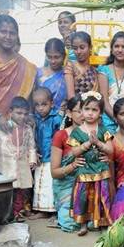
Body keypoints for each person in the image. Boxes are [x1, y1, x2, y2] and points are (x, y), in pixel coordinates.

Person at [68, 91, 114, 235]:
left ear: (100, 113)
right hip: (84, 170)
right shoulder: (76, 132)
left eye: (94, 110)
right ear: (81, 110)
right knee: (83, 197)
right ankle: (83, 224)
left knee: (103, 196)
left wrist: (98, 143)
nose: (90, 113)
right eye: (87, 109)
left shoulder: (103, 130)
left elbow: (110, 150)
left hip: (101, 169)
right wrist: (88, 143)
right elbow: (74, 152)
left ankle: (103, 223)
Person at [0, 97, 37, 221]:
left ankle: (16, 214)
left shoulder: (28, 129)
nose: (22, 117)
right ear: (10, 112)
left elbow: (31, 146)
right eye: (18, 113)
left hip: (22, 164)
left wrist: (32, 160)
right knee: (6, 190)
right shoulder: (3, 126)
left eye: (25, 114)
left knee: (20, 192)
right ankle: (5, 215)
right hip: (6, 164)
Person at [51, 96, 86, 232]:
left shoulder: (96, 134)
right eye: (79, 111)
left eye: (87, 110)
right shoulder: (61, 135)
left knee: (94, 221)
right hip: (66, 185)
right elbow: (54, 172)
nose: (84, 114)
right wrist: (73, 166)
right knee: (71, 223)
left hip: (88, 184)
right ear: (69, 114)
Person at [32, 87, 62, 219]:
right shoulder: (35, 119)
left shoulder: (56, 118)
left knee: (51, 185)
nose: (40, 108)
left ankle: (53, 210)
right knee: (39, 184)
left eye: (44, 104)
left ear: (52, 103)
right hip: (40, 156)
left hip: (53, 157)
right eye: (37, 105)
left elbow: (61, 137)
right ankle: (42, 210)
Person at [98, 31, 124, 132]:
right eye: (116, 46)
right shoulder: (104, 71)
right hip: (109, 122)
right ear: (111, 49)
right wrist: (117, 119)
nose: (120, 50)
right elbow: (104, 101)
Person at [35, 38, 67, 113]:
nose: (53, 61)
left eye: (57, 57)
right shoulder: (38, 73)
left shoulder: (67, 74)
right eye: (49, 57)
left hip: (61, 118)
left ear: (64, 56)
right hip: (40, 118)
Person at [64, 31, 98, 98]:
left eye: (82, 48)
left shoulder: (95, 68)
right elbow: (71, 96)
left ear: (90, 48)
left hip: (94, 106)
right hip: (75, 106)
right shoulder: (70, 67)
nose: (78, 52)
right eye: (75, 48)